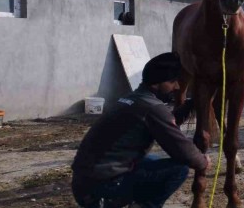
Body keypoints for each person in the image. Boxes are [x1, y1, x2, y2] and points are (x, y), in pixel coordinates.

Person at [71, 52, 209, 208]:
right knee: (179, 169)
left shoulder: (135, 98)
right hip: (100, 191)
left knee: (153, 160)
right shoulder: (152, 108)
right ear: (157, 83)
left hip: (84, 183)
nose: (177, 87)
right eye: (172, 82)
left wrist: (192, 105)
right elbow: (183, 151)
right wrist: (202, 161)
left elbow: (166, 120)